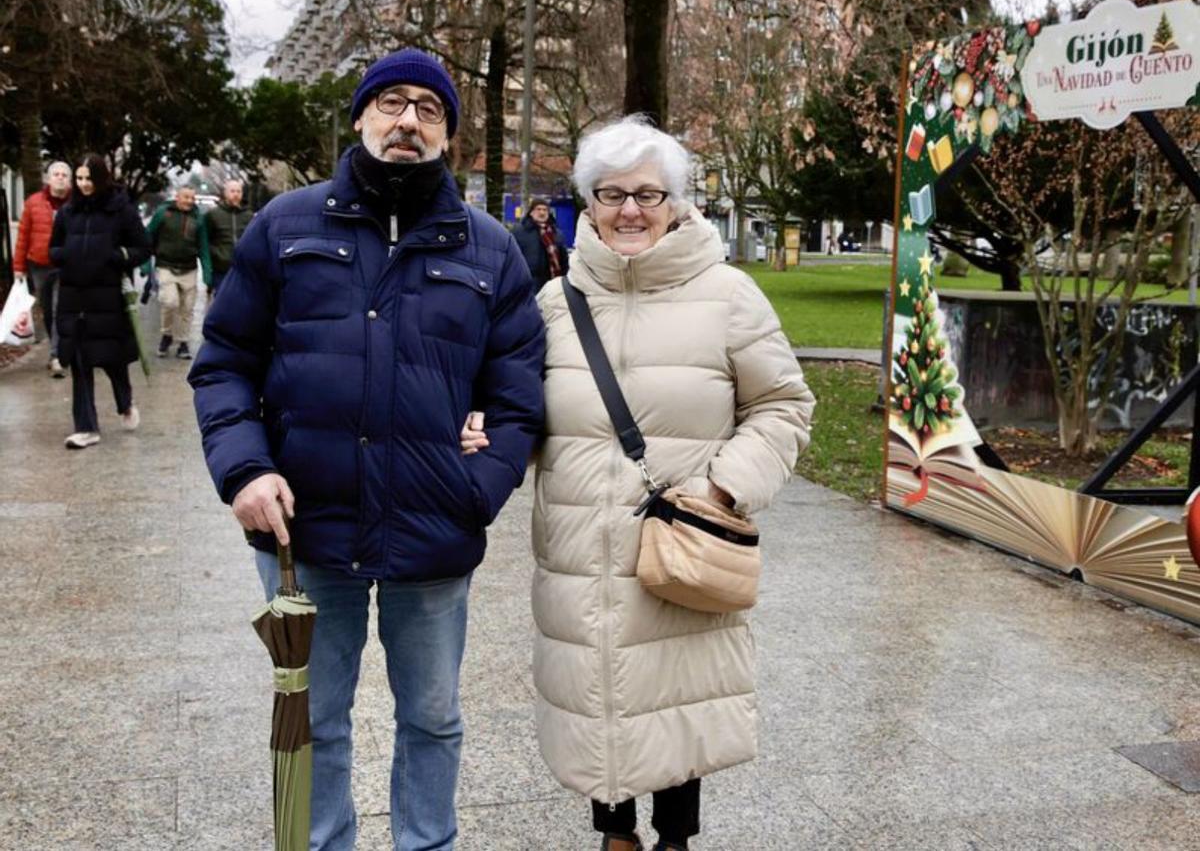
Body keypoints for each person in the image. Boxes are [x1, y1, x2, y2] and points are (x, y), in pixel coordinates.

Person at [188, 48, 545, 851]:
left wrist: (474, 487)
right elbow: (223, 366)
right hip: (305, 529)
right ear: (359, 118)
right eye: (390, 102)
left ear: (448, 133)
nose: (408, 120)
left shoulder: (490, 250)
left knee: (433, 717)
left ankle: (427, 843)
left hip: (434, 531)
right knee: (313, 717)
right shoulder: (286, 225)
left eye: (428, 107)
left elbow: (522, 399)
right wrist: (245, 469)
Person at [493, 116, 813, 850]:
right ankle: (615, 833)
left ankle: (673, 839)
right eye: (610, 194)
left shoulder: (728, 295)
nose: (629, 209)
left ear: (677, 201)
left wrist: (724, 490)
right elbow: (523, 413)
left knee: (675, 693)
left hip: (681, 540)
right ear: (588, 202)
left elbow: (785, 404)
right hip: (578, 546)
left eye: (648, 192)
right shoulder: (554, 305)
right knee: (599, 690)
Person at [49, 154, 150, 450]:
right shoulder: (68, 213)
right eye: (78, 179)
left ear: (101, 178)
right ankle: (86, 427)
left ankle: (125, 403)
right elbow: (53, 246)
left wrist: (117, 256)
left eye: (88, 179)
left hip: (108, 300)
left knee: (111, 359)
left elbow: (143, 247)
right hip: (74, 298)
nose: (83, 184)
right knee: (80, 362)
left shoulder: (121, 210)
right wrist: (62, 256)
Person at [14, 160, 71, 377]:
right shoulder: (33, 203)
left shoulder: (76, 204)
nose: (60, 178)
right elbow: (23, 236)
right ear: (47, 178)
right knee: (47, 310)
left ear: (69, 180)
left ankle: (56, 356)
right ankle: (54, 349)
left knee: (59, 310)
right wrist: (18, 267)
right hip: (38, 265)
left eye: (64, 175)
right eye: (55, 174)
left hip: (65, 265)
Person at [145, 184, 211, 359]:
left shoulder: (198, 218)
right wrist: (145, 264)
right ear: (178, 197)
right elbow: (148, 236)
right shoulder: (163, 213)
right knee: (170, 301)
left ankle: (183, 343)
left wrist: (207, 272)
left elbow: (203, 246)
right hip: (166, 266)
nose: (189, 201)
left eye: (192, 198)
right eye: (186, 197)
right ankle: (166, 334)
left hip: (189, 268)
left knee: (187, 308)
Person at [204, 178, 251, 298]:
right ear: (225, 193)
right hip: (221, 269)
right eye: (232, 191)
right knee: (222, 301)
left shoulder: (249, 216)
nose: (236, 194)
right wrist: (215, 254)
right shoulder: (213, 215)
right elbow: (205, 240)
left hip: (243, 270)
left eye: (239, 191)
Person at [513, 196, 569, 291]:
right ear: (531, 212)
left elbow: (564, 260)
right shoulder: (519, 232)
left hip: (552, 284)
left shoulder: (556, 233)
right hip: (527, 284)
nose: (542, 213)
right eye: (538, 209)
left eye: (545, 210)